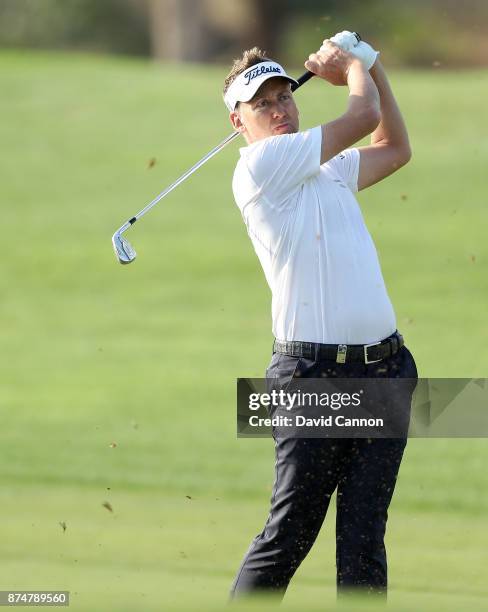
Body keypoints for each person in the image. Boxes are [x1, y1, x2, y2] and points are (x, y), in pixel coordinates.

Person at [224, 33, 418, 600]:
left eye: (284, 96)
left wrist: (373, 66)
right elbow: (362, 115)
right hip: (311, 377)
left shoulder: (324, 166)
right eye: (263, 104)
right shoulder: (261, 167)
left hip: (386, 369)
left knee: (363, 539)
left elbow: (395, 146)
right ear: (240, 121)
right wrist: (356, 65)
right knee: (290, 534)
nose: (279, 108)